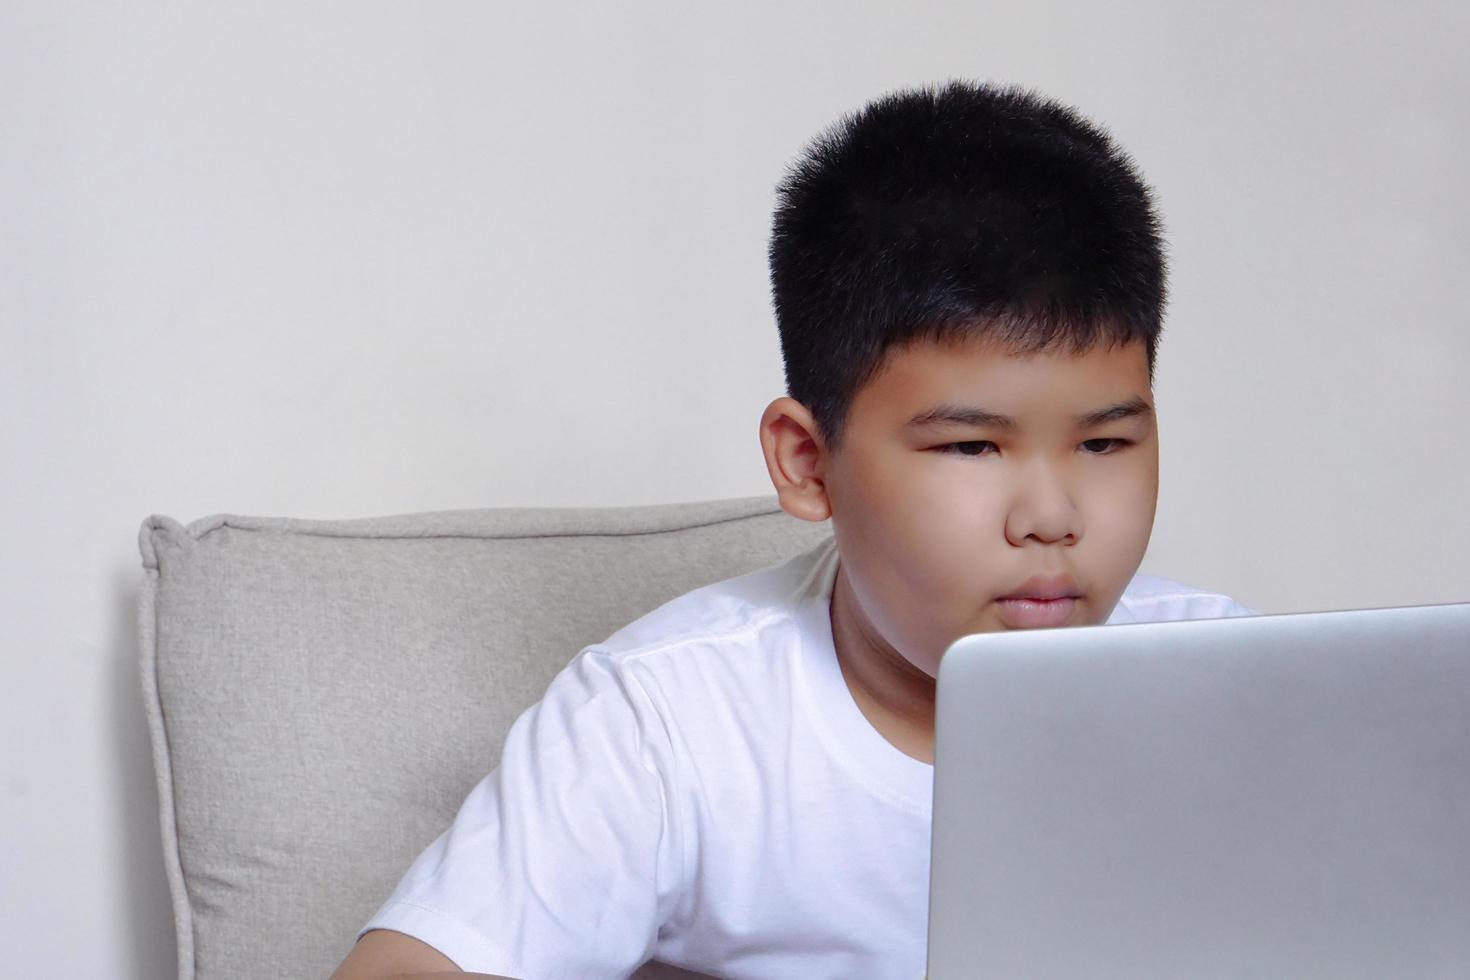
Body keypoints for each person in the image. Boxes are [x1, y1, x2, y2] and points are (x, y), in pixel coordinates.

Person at [331, 80, 1255, 980]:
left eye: (1105, 441)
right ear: (808, 464)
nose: (1053, 517)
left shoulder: (1245, 690)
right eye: (972, 448)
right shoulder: (671, 719)